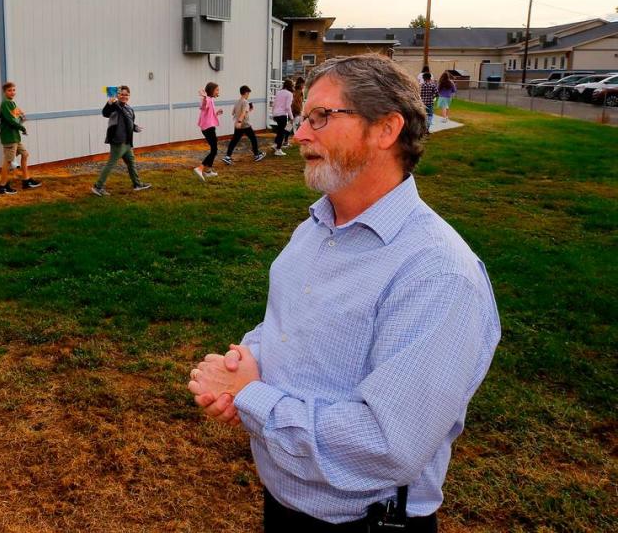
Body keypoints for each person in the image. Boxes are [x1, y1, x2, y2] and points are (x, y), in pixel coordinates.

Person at [188, 54, 500, 532]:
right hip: (284, 504)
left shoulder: (437, 273)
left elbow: (384, 444)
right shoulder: (315, 227)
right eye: (302, 118)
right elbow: (289, 326)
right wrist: (245, 357)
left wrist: (248, 395)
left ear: (385, 130)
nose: (299, 134)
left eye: (321, 117)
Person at [91, 85, 151, 197]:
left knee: (131, 163)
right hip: (118, 141)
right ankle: (98, 187)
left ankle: (137, 184)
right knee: (111, 164)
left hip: (127, 143)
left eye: (126, 94)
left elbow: (128, 122)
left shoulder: (128, 108)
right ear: (118, 95)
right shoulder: (115, 106)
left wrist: (135, 127)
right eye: (122, 94)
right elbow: (105, 113)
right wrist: (109, 102)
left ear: (129, 96)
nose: (124, 96)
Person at [0, 81, 42, 195]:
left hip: (15, 137)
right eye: (9, 90)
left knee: (25, 154)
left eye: (14, 90)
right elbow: (11, 121)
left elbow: (17, 118)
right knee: (8, 161)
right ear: (4, 92)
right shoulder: (5, 103)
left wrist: (22, 117)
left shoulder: (12, 103)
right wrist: (22, 128)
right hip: (9, 137)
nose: (12, 92)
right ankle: (2, 187)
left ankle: (26, 181)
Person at [222, 85, 265, 165]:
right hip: (245, 124)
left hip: (238, 125)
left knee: (234, 141)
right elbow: (243, 112)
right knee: (253, 139)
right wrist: (240, 121)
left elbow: (233, 113)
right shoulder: (245, 102)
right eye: (248, 93)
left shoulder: (237, 102)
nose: (248, 95)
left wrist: (248, 111)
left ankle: (227, 157)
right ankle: (256, 155)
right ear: (246, 92)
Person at [194, 82, 223, 181]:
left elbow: (208, 114)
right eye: (217, 90)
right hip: (208, 128)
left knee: (214, 149)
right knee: (214, 150)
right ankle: (200, 168)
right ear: (211, 90)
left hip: (207, 127)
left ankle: (208, 171)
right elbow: (203, 107)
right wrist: (205, 98)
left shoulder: (210, 100)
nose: (218, 91)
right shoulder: (207, 100)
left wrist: (216, 113)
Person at [270, 79, 294, 156]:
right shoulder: (289, 94)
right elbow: (288, 107)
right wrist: (291, 117)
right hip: (283, 115)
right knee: (282, 132)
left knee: (280, 131)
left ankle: (275, 145)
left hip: (276, 114)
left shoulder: (279, 92)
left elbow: (274, 104)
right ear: (290, 86)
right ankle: (278, 149)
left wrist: (273, 114)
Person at [282, 76, 305, 148]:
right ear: (301, 84)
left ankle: (286, 141)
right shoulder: (299, 91)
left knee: (290, 126)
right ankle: (286, 141)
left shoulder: (294, 90)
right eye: (303, 84)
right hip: (296, 111)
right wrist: (298, 110)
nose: (304, 85)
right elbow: (295, 102)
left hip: (293, 110)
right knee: (292, 126)